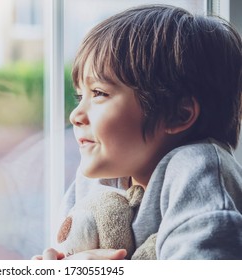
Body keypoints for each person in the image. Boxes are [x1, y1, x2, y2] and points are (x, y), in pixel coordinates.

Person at [33, 4, 242, 260]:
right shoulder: (94, 182)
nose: (75, 115)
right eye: (80, 96)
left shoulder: (199, 169)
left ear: (179, 115)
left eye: (98, 93)